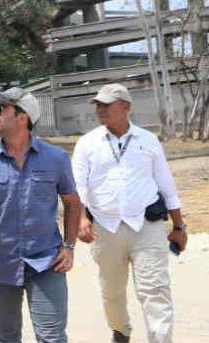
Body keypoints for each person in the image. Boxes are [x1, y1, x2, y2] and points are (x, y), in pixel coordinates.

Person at [0, 86, 83, 343]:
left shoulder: (56, 158)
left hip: (46, 262)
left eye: (1, 108)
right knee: (6, 338)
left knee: (52, 338)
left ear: (22, 117)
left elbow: (72, 202)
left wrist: (69, 246)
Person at [72, 83, 187, 343]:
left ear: (126, 106)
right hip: (105, 226)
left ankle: (160, 339)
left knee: (155, 288)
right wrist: (81, 219)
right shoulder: (87, 143)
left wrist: (179, 226)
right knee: (111, 290)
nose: (100, 110)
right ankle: (120, 330)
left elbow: (166, 185)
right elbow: (77, 186)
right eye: (98, 105)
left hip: (146, 225)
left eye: (106, 104)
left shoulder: (148, 140)